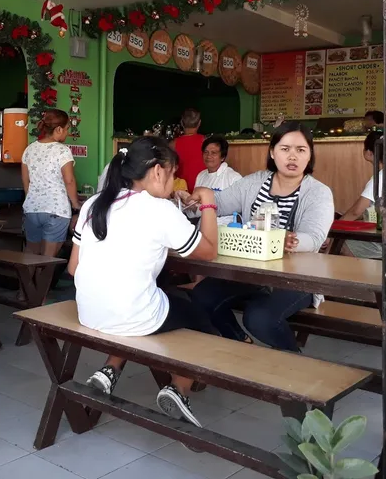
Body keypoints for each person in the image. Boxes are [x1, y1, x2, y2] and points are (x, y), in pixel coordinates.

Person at [70, 136, 219, 428]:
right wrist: (209, 202)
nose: (174, 181)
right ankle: (179, 388)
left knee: (148, 297)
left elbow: (74, 268)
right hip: (132, 316)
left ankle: (110, 369)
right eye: (173, 174)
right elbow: (209, 252)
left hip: (89, 313)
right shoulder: (158, 210)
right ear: (157, 171)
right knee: (203, 315)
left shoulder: (93, 204)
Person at [185, 122, 335, 352]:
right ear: (273, 153)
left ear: (310, 156)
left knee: (258, 318)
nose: (292, 156)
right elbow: (219, 204)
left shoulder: (318, 193)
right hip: (251, 271)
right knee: (202, 296)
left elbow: (314, 238)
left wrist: (287, 240)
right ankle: (240, 344)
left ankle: (294, 365)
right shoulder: (254, 182)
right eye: (285, 149)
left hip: (297, 279)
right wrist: (189, 203)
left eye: (301, 150)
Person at [21, 109, 81, 257]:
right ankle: (41, 282)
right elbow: (69, 180)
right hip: (57, 210)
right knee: (48, 259)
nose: (67, 133)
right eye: (67, 129)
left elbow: (25, 180)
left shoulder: (29, 149)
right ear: (58, 129)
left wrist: (34, 198)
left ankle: (28, 281)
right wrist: (75, 205)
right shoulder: (63, 151)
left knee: (31, 255)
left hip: (32, 209)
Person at [338, 131, 384, 259]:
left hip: (383, 242)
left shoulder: (380, 178)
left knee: (339, 243)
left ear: (369, 153)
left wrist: (334, 228)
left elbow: (356, 211)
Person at [189, 135, 242, 225]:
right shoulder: (201, 176)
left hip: (226, 228)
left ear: (222, 157)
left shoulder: (234, 177)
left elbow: (240, 207)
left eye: (213, 153)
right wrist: (188, 203)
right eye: (206, 152)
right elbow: (197, 210)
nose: (208, 156)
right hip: (202, 226)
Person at [171, 108, 206, 191]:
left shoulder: (173, 144)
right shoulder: (206, 141)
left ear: (182, 123)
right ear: (199, 123)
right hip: (202, 190)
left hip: (180, 192)